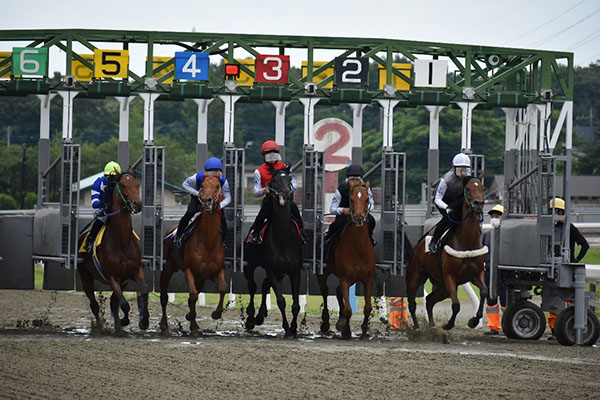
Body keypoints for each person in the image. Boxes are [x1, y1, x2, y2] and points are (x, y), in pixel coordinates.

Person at [546, 197, 590, 339]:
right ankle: (555, 330)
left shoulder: (569, 228)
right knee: (553, 300)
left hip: (567, 269)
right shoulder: (548, 229)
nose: (553, 214)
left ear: (561, 212)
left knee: (571, 300)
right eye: (551, 211)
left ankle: (573, 328)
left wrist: (575, 261)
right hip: (552, 268)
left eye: (556, 211)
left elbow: (585, 245)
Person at [249, 140, 306, 244]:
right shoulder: (259, 171)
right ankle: (255, 234)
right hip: (270, 200)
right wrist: (263, 190)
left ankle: (301, 232)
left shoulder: (285, 168)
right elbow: (256, 192)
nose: (272, 159)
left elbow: (295, 183)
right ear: (264, 156)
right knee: (261, 215)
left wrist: (289, 188)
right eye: (269, 156)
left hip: (286, 199)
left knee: (295, 210)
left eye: (274, 155)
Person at [173, 157, 231, 248]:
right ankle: (178, 236)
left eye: (215, 172)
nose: (212, 175)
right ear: (205, 171)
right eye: (209, 172)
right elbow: (184, 184)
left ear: (219, 171)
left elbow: (228, 197)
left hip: (214, 202)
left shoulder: (223, 180)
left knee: (223, 221)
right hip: (198, 200)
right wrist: (197, 193)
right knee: (189, 213)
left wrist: (220, 205)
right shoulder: (198, 176)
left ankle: (223, 241)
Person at [324, 163, 376, 247]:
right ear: (348, 180)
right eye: (352, 180)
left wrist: (363, 210)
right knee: (335, 225)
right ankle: (327, 240)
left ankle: (370, 238)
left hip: (361, 215)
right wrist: (342, 210)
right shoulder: (341, 188)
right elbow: (332, 209)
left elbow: (371, 204)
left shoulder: (366, 189)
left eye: (357, 180)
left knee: (372, 221)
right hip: (345, 216)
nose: (355, 182)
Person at [429, 152, 472, 253]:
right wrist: (446, 208)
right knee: (447, 219)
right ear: (453, 168)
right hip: (444, 201)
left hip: (457, 199)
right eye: (460, 170)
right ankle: (434, 241)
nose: (463, 174)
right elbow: (437, 199)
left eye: (465, 170)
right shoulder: (446, 179)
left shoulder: (468, 178)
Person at [84, 161, 121, 252]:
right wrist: (103, 204)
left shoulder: (120, 184)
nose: (112, 180)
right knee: (101, 220)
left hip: (116, 211)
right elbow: (94, 202)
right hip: (101, 210)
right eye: (109, 177)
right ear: (105, 175)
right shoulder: (98, 183)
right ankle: (90, 240)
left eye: (115, 178)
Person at [482, 204, 506, 335]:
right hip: (488, 272)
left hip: (504, 272)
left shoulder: (508, 235)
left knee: (505, 300)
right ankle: (493, 327)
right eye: (492, 216)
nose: (494, 218)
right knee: (491, 301)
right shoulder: (486, 236)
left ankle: (508, 325)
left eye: (497, 215)